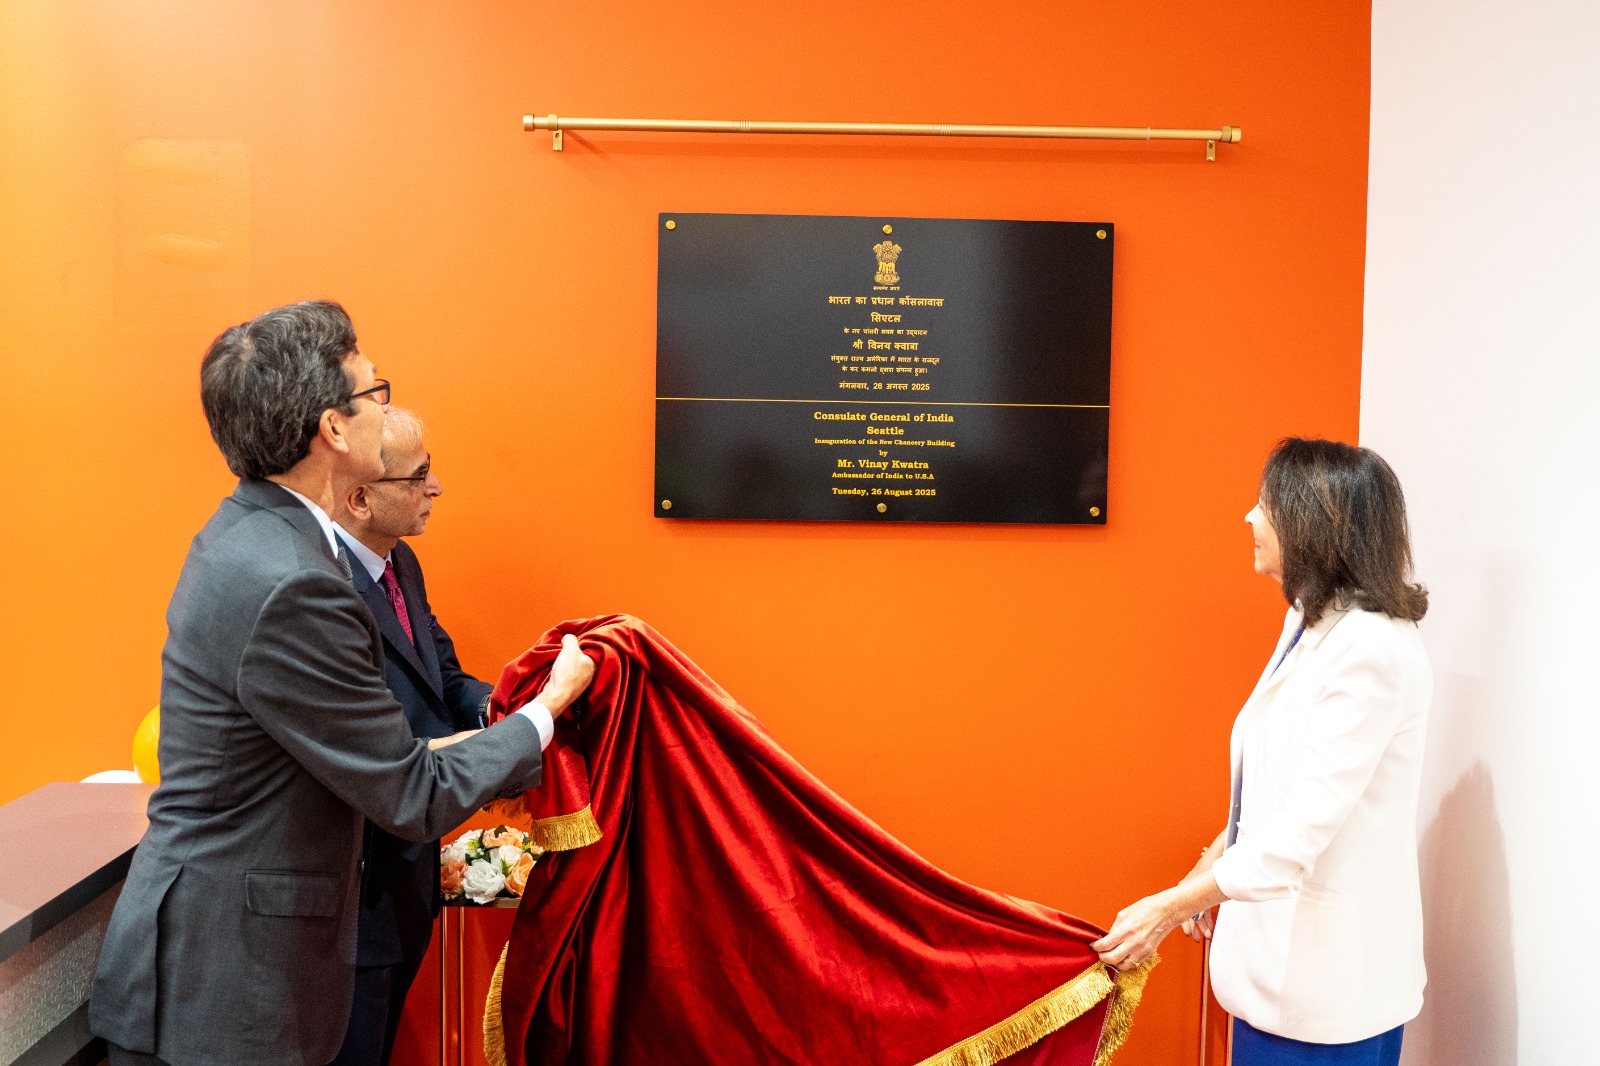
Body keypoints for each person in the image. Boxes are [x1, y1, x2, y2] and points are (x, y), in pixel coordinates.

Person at [89, 300, 596, 1066]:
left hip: (226, 969)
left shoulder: (254, 532)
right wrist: (548, 709)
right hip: (229, 990)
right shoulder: (294, 580)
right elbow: (410, 791)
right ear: (333, 428)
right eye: (374, 393)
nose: (384, 411)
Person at [1091, 437, 1432, 1065]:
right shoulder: (1309, 619)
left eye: (1266, 506)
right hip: (1273, 976)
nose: (1250, 518)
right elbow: (1276, 784)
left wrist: (1168, 909)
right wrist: (1209, 864)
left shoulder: (1371, 651)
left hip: (1327, 999)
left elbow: (1300, 832)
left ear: (1312, 526)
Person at [328, 408, 493, 1066]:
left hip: (406, 883)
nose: (436, 487)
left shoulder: (401, 563)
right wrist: (525, 733)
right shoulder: (322, 592)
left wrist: (503, 708)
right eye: (418, 475)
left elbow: (442, 678)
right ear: (360, 498)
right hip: (351, 902)